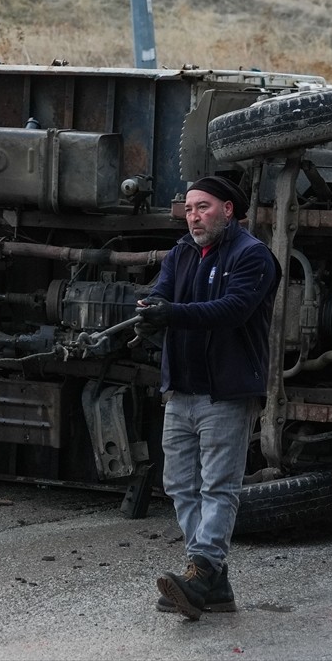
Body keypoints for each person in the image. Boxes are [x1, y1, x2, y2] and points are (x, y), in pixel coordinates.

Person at [134, 175, 281, 620]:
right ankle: (214, 585)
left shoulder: (253, 256)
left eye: (203, 208)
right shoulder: (181, 252)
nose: (193, 216)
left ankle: (199, 572)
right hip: (181, 388)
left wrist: (171, 314)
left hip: (227, 392)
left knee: (218, 486)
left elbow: (233, 309)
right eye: (189, 209)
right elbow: (159, 294)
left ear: (228, 210)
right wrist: (149, 312)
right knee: (180, 484)